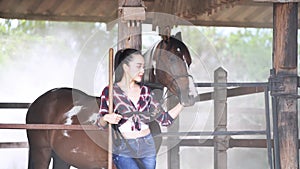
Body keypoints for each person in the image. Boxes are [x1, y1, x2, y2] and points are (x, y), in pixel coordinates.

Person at [97, 48, 183, 169]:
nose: (142, 70)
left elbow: (164, 119)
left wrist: (182, 104)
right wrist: (106, 117)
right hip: (124, 146)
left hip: (147, 144)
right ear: (126, 67)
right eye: (138, 66)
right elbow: (100, 124)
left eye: (143, 66)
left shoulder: (146, 92)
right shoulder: (110, 91)